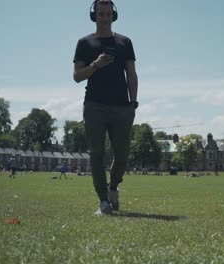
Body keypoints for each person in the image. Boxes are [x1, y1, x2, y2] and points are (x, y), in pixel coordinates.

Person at [73, 0, 138, 214]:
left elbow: (131, 74)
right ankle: (103, 201)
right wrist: (95, 65)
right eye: (101, 13)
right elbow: (77, 77)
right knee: (96, 154)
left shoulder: (124, 42)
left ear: (114, 15)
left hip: (121, 106)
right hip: (94, 105)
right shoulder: (84, 43)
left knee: (121, 156)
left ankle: (113, 187)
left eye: (108, 13)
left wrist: (133, 104)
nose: (104, 17)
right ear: (94, 15)